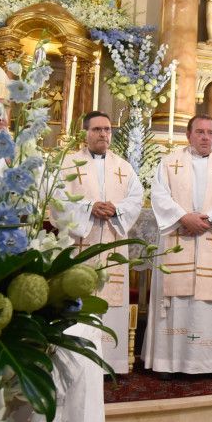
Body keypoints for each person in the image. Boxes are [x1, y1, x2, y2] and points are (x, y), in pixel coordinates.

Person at [143, 114, 212, 376]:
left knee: (205, 303)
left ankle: (206, 364)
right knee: (177, 299)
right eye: (200, 132)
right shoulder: (169, 162)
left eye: (210, 132)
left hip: (210, 238)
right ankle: (168, 363)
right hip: (179, 236)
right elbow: (159, 194)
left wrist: (209, 221)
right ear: (188, 136)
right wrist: (183, 217)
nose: (206, 137)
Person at [53, 111, 143, 374]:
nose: (104, 134)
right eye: (97, 129)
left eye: (107, 129)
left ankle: (110, 363)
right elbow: (58, 201)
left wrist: (115, 210)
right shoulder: (69, 163)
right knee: (78, 296)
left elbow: (136, 199)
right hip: (80, 244)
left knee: (111, 298)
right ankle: (75, 363)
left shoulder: (124, 167)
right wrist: (90, 207)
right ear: (85, 133)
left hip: (113, 243)